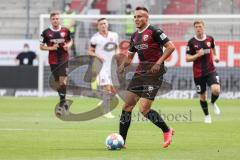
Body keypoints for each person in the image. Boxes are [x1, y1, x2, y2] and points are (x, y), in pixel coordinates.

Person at [118, 7, 175, 148]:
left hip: (154, 74)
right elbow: (130, 56)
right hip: (140, 73)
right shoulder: (134, 36)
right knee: (126, 107)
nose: (136, 19)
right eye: (135, 17)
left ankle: (167, 130)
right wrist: (123, 65)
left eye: (139, 17)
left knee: (143, 110)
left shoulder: (155, 31)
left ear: (146, 18)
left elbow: (171, 47)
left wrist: (158, 62)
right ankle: (121, 141)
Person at [186, 20, 221, 124]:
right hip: (198, 73)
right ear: (194, 28)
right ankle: (207, 116)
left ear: (203, 27)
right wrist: (197, 55)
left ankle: (213, 103)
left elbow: (214, 49)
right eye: (196, 27)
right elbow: (187, 58)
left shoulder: (210, 39)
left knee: (216, 90)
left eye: (200, 26)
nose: (198, 28)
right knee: (202, 96)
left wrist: (215, 57)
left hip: (211, 70)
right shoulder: (191, 42)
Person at [40, 11, 73, 116]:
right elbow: (41, 46)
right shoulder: (46, 32)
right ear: (51, 20)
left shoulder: (65, 31)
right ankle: (64, 102)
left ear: (59, 19)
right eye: (53, 19)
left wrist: (68, 45)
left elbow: (70, 40)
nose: (55, 20)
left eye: (57, 18)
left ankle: (61, 105)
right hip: (53, 60)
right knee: (58, 83)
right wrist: (51, 48)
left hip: (64, 59)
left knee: (63, 82)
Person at [88, 18, 119, 119]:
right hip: (101, 66)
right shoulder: (95, 38)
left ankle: (103, 102)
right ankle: (106, 111)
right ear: (98, 26)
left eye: (105, 23)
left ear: (108, 25)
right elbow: (90, 51)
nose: (103, 25)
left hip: (112, 65)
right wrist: (98, 56)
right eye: (101, 24)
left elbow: (116, 48)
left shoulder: (114, 36)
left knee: (114, 90)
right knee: (107, 88)